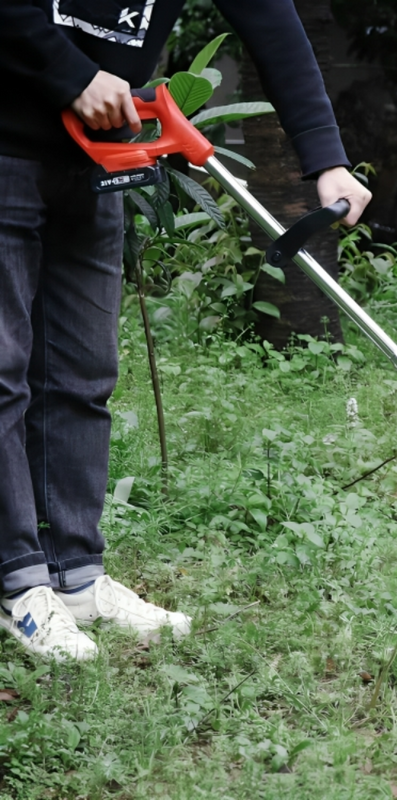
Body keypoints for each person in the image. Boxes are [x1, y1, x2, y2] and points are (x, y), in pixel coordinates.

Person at [0, 0, 372, 661]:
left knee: (82, 374)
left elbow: (271, 22)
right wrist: (72, 74)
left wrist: (326, 159)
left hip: (99, 159)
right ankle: (20, 582)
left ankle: (76, 575)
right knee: (4, 375)